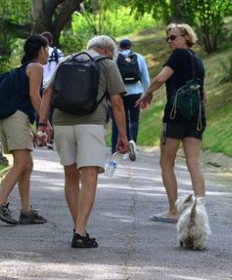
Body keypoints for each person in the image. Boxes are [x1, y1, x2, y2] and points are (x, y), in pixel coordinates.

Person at [39, 35, 129, 248]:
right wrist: (123, 135)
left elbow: (48, 92)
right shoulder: (106, 64)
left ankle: (79, 229)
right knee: (89, 176)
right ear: (108, 50)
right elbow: (116, 102)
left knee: (70, 175)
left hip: (61, 123)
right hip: (91, 123)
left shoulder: (65, 61)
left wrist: (43, 124)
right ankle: (80, 232)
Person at [136, 23, 207, 223]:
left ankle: (173, 211)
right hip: (196, 118)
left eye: (173, 37)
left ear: (185, 36)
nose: (170, 42)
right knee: (194, 163)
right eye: (168, 39)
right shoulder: (197, 59)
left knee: (166, 162)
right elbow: (204, 94)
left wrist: (147, 93)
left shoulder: (179, 56)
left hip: (175, 117)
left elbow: (161, 78)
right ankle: (200, 212)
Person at [0, 34, 49, 225]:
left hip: (11, 119)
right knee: (21, 164)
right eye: (47, 49)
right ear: (41, 50)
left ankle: (26, 211)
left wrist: (31, 129)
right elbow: (34, 96)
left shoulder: (22, 69)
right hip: (16, 118)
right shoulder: (36, 67)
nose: (48, 54)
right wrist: (45, 123)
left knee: (27, 165)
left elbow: (21, 100)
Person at [111, 38, 150, 161]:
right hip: (136, 93)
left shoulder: (115, 58)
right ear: (131, 46)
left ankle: (120, 146)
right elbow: (145, 77)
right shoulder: (139, 57)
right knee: (134, 120)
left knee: (121, 120)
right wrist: (147, 93)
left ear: (120, 47)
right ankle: (133, 142)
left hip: (120, 93)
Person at [35, 31, 64, 150]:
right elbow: (63, 65)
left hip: (40, 84)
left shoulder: (37, 52)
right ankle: (50, 139)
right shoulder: (57, 52)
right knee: (51, 113)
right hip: (53, 85)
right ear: (51, 41)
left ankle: (39, 137)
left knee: (40, 111)